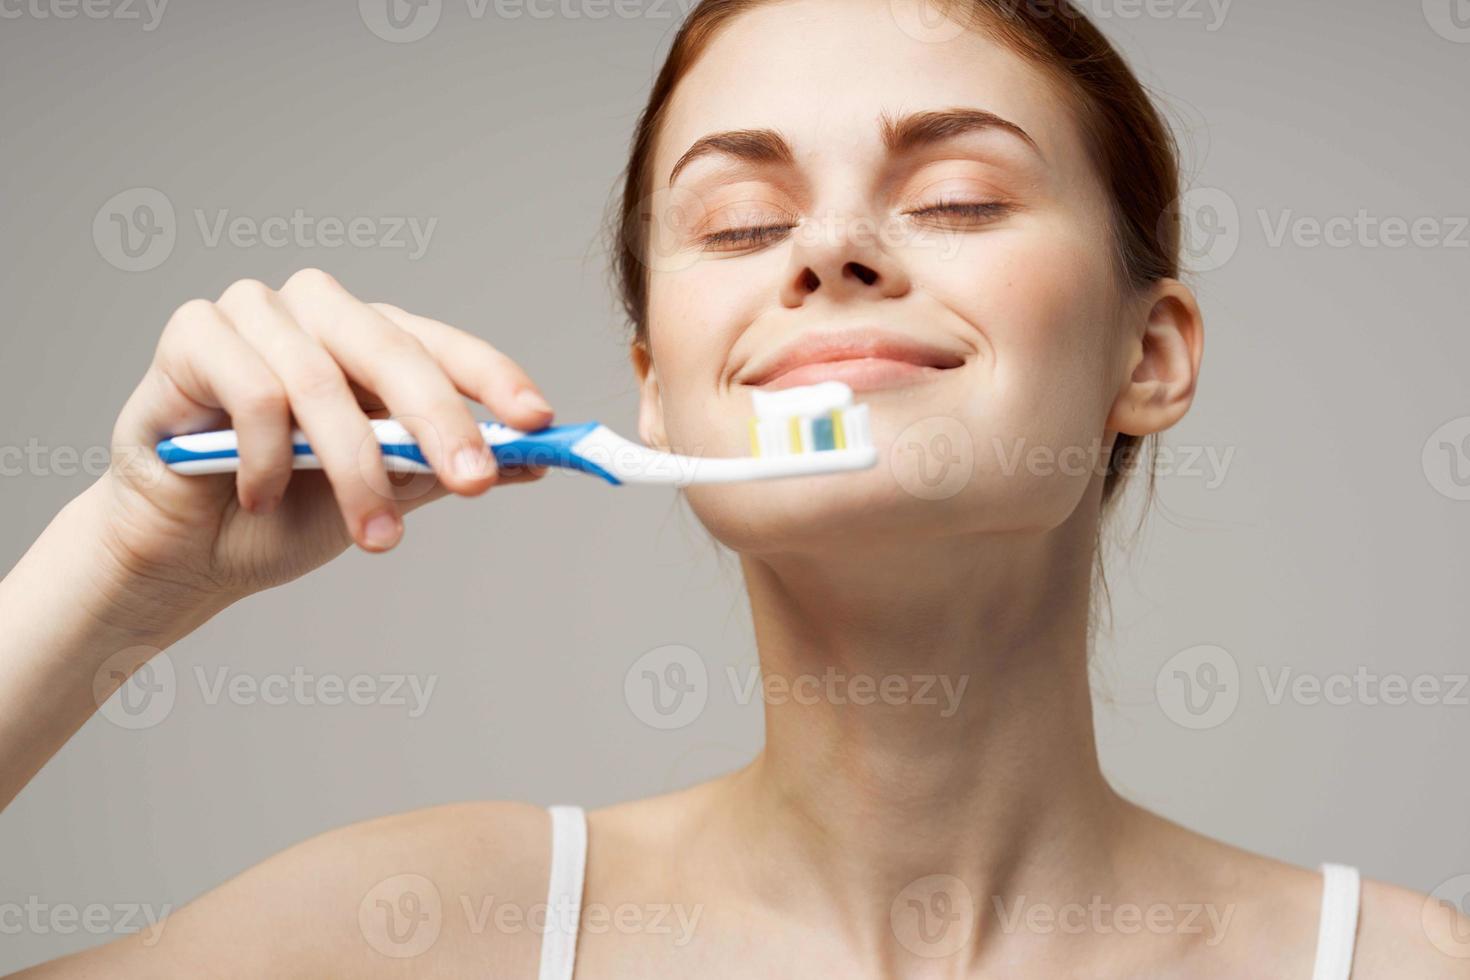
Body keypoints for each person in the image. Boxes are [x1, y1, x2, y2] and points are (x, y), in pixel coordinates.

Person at [3, 0, 1464, 975]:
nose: (826, 249)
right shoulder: (427, 934)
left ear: (1148, 354)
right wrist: (116, 568)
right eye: (739, 219)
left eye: (955, 197)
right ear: (657, 383)